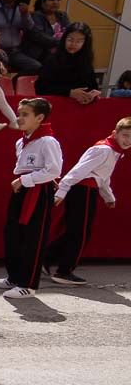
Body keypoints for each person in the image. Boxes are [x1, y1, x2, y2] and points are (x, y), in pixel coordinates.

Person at [45, 117, 131, 285]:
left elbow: (103, 177)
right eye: (126, 135)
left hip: (87, 191)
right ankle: (64, 272)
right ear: (115, 133)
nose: (128, 140)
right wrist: (61, 192)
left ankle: (45, 258)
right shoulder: (104, 150)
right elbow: (77, 171)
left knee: (76, 231)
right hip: (82, 191)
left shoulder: (114, 150)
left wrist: (108, 196)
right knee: (80, 233)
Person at [0, 97, 62, 299]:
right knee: (13, 233)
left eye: (25, 114)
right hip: (22, 188)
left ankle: (28, 284)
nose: (20, 118)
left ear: (40, 118)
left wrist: (26, 180)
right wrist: (22, 182)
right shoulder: (21, 141)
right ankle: (15, 276)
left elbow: (54, 170)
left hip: (38, 191)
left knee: (33, 237)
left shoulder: (47, 141)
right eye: (19, 113)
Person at [34, 22, 101, 105]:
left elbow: (92, 87)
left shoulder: (86, 61)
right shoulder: (52, 59)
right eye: (70, 40)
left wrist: (89, 96)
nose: (73, 44)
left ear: (85, 43)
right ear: (64, 39)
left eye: (79, 41)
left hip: (79, 106)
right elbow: (41, 88)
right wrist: (69, 93)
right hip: (55, 105)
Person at [22, 0, 70, 66]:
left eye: (58, 0)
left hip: (59, 50)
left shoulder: (62, 15)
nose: (55, 2)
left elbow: (69, 32)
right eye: (52, 0)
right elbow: (39, 36)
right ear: (43, 2)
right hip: (39, 52)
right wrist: (60, 42)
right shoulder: (36, 15)